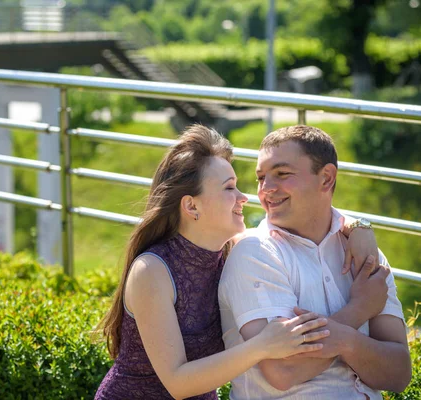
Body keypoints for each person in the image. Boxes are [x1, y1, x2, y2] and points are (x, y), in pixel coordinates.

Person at [95, 124, 379, 400]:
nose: (244, 197)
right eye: (229, 188)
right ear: (192, 206)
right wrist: (262, 346)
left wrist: (358, 227)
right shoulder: (152, 271)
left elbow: (317, 214)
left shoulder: (232, 250)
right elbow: (178, 383)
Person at [218, 125, 411, 400]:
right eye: (261, 178)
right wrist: (359, 310)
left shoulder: (362, 251)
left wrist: (342, 340)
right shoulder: (256, 252)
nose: (266, 190)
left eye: (282, 174)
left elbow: (399, 373)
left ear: (326, 178)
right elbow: (284, 370)